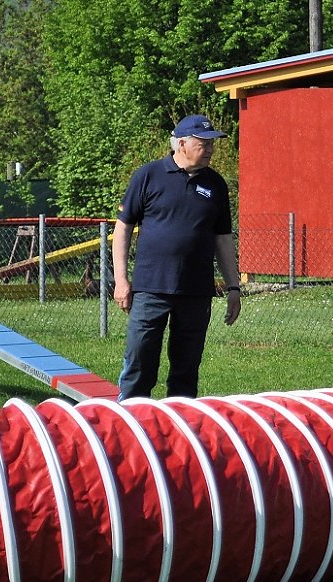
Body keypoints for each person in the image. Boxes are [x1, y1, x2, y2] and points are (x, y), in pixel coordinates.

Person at [112, 114, 241, 399]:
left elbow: (223, 239)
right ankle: (130, 422)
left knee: (186, 367)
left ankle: (179, 428)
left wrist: (233, 287)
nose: (209, 149)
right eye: (202, 143)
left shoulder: (216, 185)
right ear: (181, 143)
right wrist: (121, 280)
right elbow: (122, 229)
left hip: (196, 291)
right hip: (150, 289)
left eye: (212, 144)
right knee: (140, 363)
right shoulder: (148, 175)